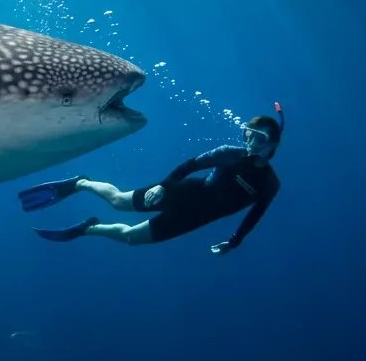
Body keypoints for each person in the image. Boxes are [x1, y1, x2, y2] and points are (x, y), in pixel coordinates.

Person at [19, 103, 284, 255]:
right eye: (247, 134)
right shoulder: (229, 153)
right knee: (119, 202)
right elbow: (189, 166)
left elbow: (255, 214)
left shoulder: (270, 184)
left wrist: (235, 241)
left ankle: (89, 228)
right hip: (185, 193)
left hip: (195, 218)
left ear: (272, 144)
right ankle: (82, 183)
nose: (250, 142)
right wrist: (162, 185)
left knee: (131, 238)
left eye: (258, 138)